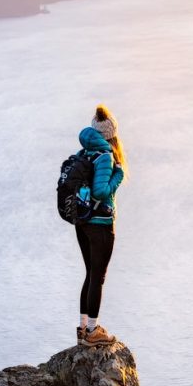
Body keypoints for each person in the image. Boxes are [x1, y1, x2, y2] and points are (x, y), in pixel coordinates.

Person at [75, 104, 127, 347]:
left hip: (82, 221)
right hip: (100, 224)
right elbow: (101, 190)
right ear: (111, 135)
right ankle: (93, 332)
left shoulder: (84, 152)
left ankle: (83, 327)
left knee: (89, 273)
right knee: (98, 277)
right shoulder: (105, 155)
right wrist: (119, 176)